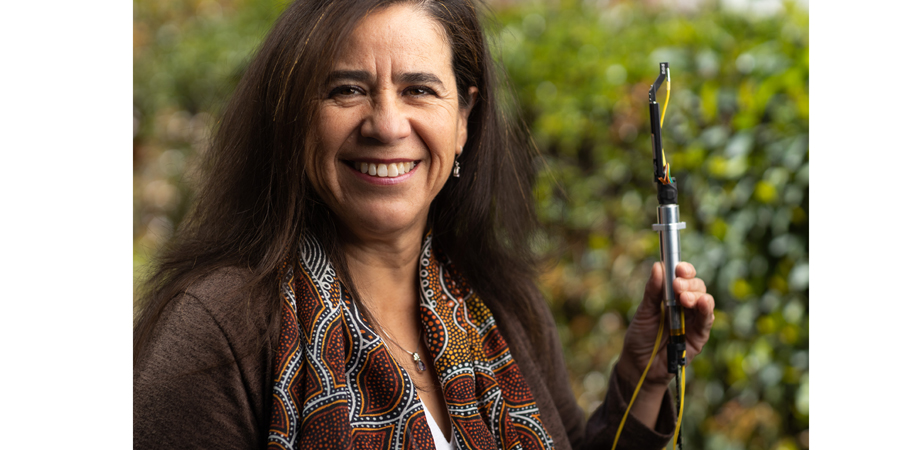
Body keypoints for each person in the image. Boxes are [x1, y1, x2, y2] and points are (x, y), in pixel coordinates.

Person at [133, 0, 715, 448]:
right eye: (347, 90)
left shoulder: (500, 304)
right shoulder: (217, 330)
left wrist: (646, 375)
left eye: (418, 89)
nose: (387, 124)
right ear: (295, 117)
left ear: (464, 118)